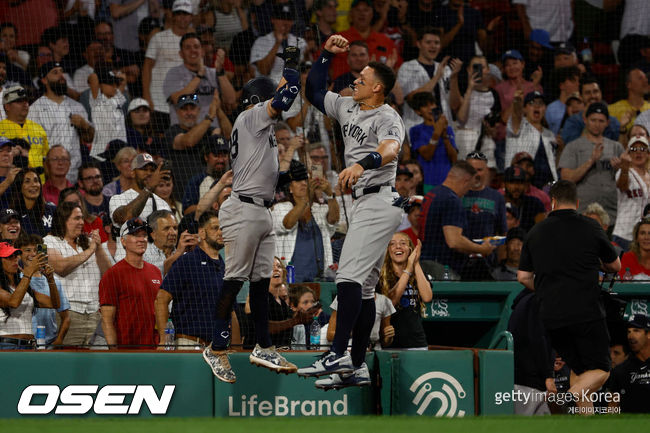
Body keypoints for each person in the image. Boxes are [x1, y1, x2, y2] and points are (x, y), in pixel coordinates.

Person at [297, 35, 405, 389]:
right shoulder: (347, 106)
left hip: (379, 197)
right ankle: (357, 364)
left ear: (377, 88)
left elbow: (389, 149)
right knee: (366, 289)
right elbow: (313, 91)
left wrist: (363, 164)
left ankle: (337, 352)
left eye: (361, 79)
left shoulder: (388, 116)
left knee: (347, 278)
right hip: (364, 202)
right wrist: (326, 53)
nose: (354, 80)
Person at [202, 45, 303, 383]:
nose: (274, 104)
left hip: (259, 209)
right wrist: (291, 62)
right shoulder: (251, 117)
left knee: (260, 283)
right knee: (234, 281)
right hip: (243, 208)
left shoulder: (258, 131)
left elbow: (265, 177)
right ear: (259, 99)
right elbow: (287, 95)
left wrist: (292, 175)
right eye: (268, 97)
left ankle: (262, 345)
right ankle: (216, 347)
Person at [517, 179, 621, 415]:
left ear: (552, 202)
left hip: (551, 316)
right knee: (602, 371)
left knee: (581, 373)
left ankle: (586, 425)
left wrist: (545, 289)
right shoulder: (590, 226)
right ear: (576, 202)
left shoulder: (535, 231)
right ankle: (567, 398)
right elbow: (615, 265)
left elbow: (523, 277)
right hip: (586, 313)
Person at [155, 210, 240, 350]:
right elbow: (161, 299)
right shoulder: (187, 261)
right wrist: (164, 340)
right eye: (215, 228)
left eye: (224, 228)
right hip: (189, 344)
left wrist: (237, 349)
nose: (221, 232)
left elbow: (232, 312)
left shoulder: (226, 267)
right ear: (202, 233)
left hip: (218, 348)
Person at [44, 202, 112, 346]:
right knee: (68, 362)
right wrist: (91, 250)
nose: (81, 222)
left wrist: (98, 248)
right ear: (63, 220)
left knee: (96, 363)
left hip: (94, 315)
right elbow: (61, 267)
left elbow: (108, 273)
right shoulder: (50, 241)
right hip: (68, 315)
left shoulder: (88, 243)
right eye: (76, 218)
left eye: (82, 218)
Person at [419, 161, 495, 278]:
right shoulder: (452, 200)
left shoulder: (431, 194)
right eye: (469, 187)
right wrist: (482, 249)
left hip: (424, 264)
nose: (467, 191)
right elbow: (454, 241)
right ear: (465, 181)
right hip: (441, 268)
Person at [271, 160, 339, 282]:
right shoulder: (281, 208)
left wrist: (330, 194)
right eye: (298, 181)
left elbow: (333, 220)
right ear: (290, 188)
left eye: (306, 180)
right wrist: (307, 199)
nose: (303, 184)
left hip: (320, 279)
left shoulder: (318, 209)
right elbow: (287, 224)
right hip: (290, 279)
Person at [99, 218, 161, 349]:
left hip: (154, 349)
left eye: (144, 235)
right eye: (135, 235)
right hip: (126, 350)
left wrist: (162, 343)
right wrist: (114, 353)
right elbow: (107, 320)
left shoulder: (155, 272)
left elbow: (159, 312)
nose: (141, 239)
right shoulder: (113, 275)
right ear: (123, 241)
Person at [559, 102, 625, 223]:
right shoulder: (573, 146)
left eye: (601, 121)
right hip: (583, 212)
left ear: (607, 123)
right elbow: (566, 178)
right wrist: (591, 161)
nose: (597, 125)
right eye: (593, 120)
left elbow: (627, 183)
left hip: (612, 213)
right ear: (585, 120)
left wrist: (621, 170)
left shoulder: (616, 147)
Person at [29, 62, 94, 183]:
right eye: (55, 72)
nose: (61, 76)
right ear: (44, 80)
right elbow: (34, 149)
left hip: (74, 174)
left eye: (61, 71)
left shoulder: (77, 106)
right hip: (48, 177)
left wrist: (84, 126)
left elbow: (90, 138)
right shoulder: (35, 110)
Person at [165, 90, 232, 198]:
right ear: (177, 112)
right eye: (184, 109)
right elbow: (189, 141)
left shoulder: (209, 131)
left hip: (208, 191)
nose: (189, 113)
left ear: (199, 110)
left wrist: (218, 109)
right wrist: (210, 116)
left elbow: (229, 135)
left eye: (192, 108)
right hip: (181, 195)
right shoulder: (172, 132)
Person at [163, 32, 236, 129]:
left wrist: (220, 72)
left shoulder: (213, 73)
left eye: (196, 47)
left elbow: (231, 100)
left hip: (211, 131)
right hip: (183, 132)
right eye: (188, 48)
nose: (193, 50)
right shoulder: (174, 73)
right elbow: (177, 99)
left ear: (202, 51)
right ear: (181, 54)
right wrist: (200, 75)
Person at [143, 0, 194, 131]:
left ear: (191, 17)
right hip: (158, 103)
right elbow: (147, 68)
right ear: (172, 15)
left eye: (186, 14)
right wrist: (147, 97)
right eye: (179, 13)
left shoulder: (194, 43)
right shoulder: (158, 38)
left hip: (183, 106)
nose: (183, 17)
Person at [0, 241, 60, 349]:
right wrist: (29, 272)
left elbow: (55, 304)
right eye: (9, 257)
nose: (14, 260)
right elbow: (13, 302)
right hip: (6, 345)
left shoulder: (24, 288)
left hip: (29, 346)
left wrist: (50, 280)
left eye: (15, 256)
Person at [15, 234, 70, 347]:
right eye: (28, 250)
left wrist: (59, 340)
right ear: (19, 255)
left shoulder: (54, 280)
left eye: (36, 250)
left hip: (49, 343)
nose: (33, 254)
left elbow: (66, 317)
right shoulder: (16, 281)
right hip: (24, 344)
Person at [379, 232, 431, 349]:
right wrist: (407, 270)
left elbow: (427, 297)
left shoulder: (418, 273)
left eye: (403, 243)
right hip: (391, 343)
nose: (398, 246)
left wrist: (415, 262)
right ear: (388, 250)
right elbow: (389, 302)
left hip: (417, 343)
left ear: (410, 249)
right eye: (392, 244)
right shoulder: (381, 277)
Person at [397, 27, 451, 133]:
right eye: (428, 42)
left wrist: (454, 78)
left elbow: (453, 104)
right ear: (419, 44)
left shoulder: (446, 69)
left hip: (443, 127)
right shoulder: (407, 67)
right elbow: (412, 98)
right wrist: (436, 77)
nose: (433, 46)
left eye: (436, 43)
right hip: (416, 127)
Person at [448, 55, 501, 163]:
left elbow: (495, 129)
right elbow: (461, 118)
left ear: (488, 70)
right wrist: (470, 88)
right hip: (463, 140)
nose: (479, 71)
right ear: (468, 70)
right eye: (476, 67)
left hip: (485, 143)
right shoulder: (462, 90)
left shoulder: (494, 95)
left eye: (482, 67)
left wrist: (490, 130)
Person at [507, 90, 558, 190]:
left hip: (547, 185)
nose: (537, 106)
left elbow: (553, 164)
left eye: (541, 104)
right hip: (522, 183)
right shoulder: (519, 127)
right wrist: (517, 102)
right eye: (531, 103)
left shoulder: (550, 134)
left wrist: (560, 149)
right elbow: (516, 115)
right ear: (525, 109)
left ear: (545, 109)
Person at [109, 153, 172, 232]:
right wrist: (148, 189)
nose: (149, 173)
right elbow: (126, 217)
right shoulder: (118, 199)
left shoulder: (162, 204)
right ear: (133, 172)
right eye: (144, 169)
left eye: (152, 170)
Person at [408, 91, 458, 192]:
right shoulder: (416, 130)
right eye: (425, 106)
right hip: (427, 181)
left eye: (432, 104)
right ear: (418, 111)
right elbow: (427, 155)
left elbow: (454, 158)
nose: (430, 108)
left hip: (447, 181)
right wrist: (436, 134)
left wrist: (444, 135)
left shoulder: (447, 129)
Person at [249, 2, 306, 85]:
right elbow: (263, 71)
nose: (285, 23)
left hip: (293, 88)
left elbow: (304, 70)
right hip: (268, 88)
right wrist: (277, 43)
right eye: (281, 18)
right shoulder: (261, 42)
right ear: (273, 20)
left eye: (288, 19)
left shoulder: (300, 42)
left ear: (292, 22)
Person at [613, 136, 650, 251]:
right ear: (628, 153)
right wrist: (624, 167)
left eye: (642, 149)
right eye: (634, 150)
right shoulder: (624, 172)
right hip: (624, 233)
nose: (638, 153)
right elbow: (622, 186)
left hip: (645, 236)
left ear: (648, 154)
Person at [0, 86, 48, 174]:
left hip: (39, 183)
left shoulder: (39, 129)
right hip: (10, 183)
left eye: (26, 100)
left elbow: (46, 160)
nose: (25, 104)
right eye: (19, 101)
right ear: (7, 106)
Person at [608, 314, 650, 413]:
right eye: (628, 332)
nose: (631, 336)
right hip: (630, 427)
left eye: (636, 331)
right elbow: (613, 406)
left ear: (648, 334)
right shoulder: (620, 371)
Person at [561, 77, 622, 145]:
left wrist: (623, 129)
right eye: (587, 93)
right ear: (581, 96)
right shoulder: (573, 121)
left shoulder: (612, 121)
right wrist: (587, 119)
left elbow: (620, 147)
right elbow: (574, 147)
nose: (592, 96)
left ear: (600, 93)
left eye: (595, 91)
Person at [8, 168, 57, 237]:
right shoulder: (13, 215)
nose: (33, 184)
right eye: (27, 181)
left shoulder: (52, 210)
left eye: (36, 180)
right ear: (20, 187)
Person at [502, 165, 546, 232]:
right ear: (504, 184)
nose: (516, 187)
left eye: (520, 183)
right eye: (512, 182)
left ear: (525, 185)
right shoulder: (497, 202)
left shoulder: (535, 204)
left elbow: (542, 230)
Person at [609, 68, 650, 135]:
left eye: (646, 78)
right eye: (640, 78)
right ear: (629, 84)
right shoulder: (613, 109)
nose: (646, 80)